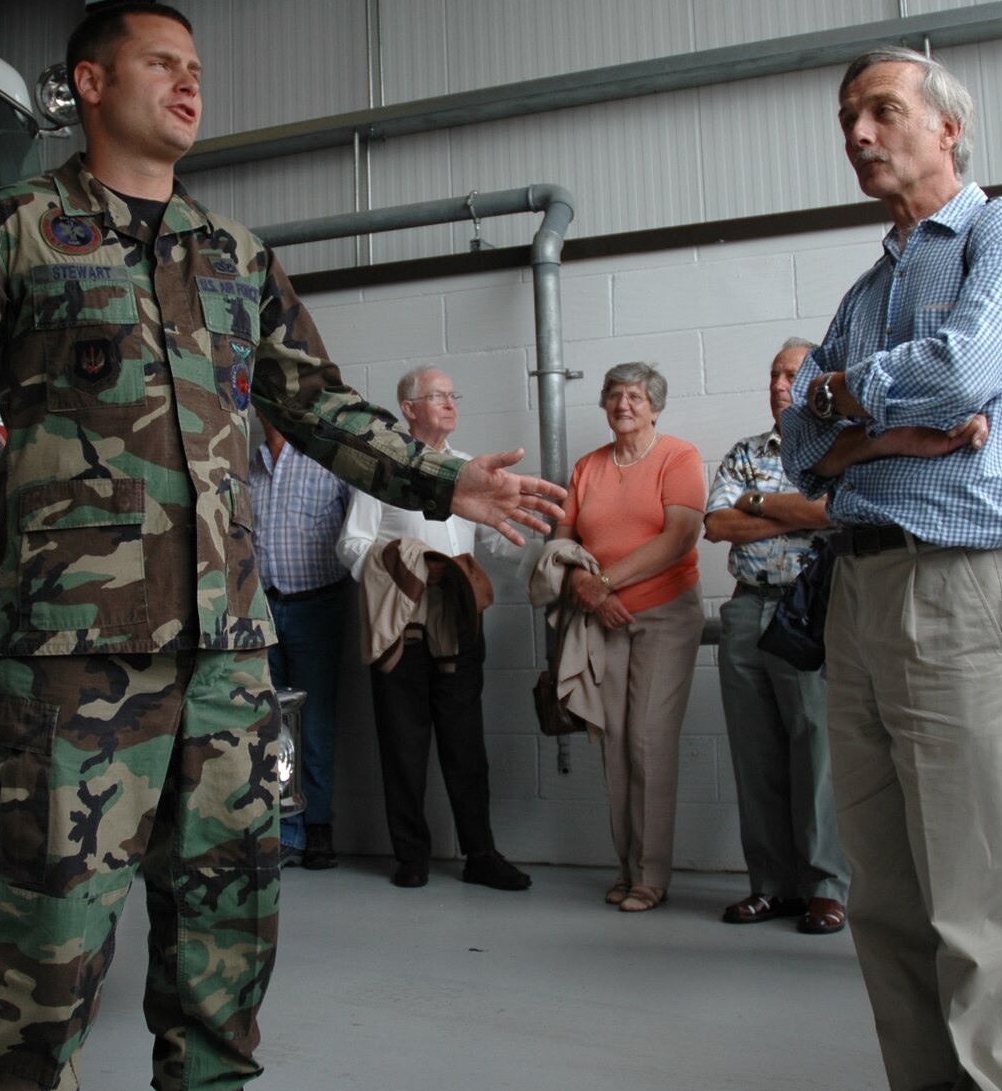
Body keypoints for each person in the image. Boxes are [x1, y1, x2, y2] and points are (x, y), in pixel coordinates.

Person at [0, 2, 565, 1091]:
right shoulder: (18, 227)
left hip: (222, 649)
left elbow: (316, 403)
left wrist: (441, 482)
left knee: (228, 898)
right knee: (48, 924)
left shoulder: (233, 256)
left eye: (197, 69)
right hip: (68, 661)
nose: (188, 85)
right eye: (161, 64)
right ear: (86, 80)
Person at [778, 46, 1002, 1091]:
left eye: (881, 111)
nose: (856, 132)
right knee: (887, 889)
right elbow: (799, 445)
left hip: (961, 588)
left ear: (947, 128)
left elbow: (959, 368)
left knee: (975, 892)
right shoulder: (865, 288)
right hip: (855, 590)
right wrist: (872, 422)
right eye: (845, 116)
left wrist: (850, 401)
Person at [334, 364, 533, 892]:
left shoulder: (472, 471)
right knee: (402, 741)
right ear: (408, 408)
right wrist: (403, 564)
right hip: (401, 621)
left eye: (453, 394)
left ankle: (481, 853)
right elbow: (350, 546)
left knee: (466, 739)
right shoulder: (382, 471)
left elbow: (497, 543)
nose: (450, 403)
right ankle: (411, 855)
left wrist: (513, 532)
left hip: (460, 618)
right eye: (437, 395)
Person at [701, 338, 849, 935]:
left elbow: (834, 512)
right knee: (755, 752)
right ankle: (771, 886)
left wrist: (760, 504)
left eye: (791, 375)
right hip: (746, 611)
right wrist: (791, 508)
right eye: (773, 376)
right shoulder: (744, 451)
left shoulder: (842, 449)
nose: (780, 385)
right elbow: (717, 524)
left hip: (808, 611)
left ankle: (825, 888)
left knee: (816, 751)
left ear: (816, 384)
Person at [546, 362, 705, 915]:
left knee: (648, 741)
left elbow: (680, 537)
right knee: (614, 744)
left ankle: (652, 875)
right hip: (601, 619)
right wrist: (586, 588)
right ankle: (625, 866)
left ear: (654, 407)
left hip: (663, 616)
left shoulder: (677, 457)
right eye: (614, 396)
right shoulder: (587, 468)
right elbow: (560, 544)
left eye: (635, 397)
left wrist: (606, 582)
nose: (624, 405)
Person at [249, 417, 350, 870]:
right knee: (273, 724)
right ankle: (286, 831)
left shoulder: (327, 464)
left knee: (316, 723)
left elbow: (358, 535)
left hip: (316, 607)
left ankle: (319, 828)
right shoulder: (248, 465)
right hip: (263, 611)